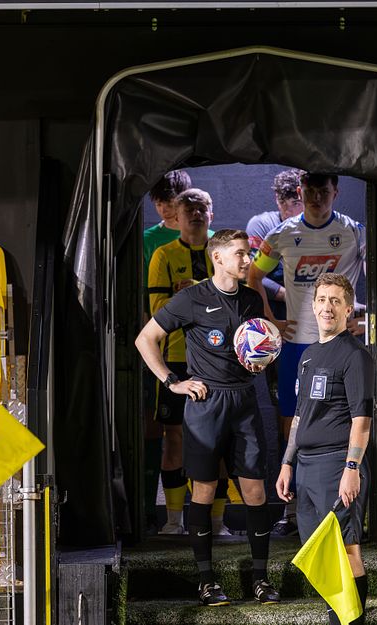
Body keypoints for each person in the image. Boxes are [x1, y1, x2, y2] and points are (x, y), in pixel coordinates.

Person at [136, 229, 280, 607]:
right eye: (240, 254)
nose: (247, 260)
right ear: (217, 258)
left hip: (244, 402)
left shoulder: (251, 298)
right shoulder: (191, 298)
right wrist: (173, 382)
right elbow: (145, 339)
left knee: (255, 492)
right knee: (203, 490)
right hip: (206, 404)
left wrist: (262, 359)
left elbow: (259, 343)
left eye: (248, 253)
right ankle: (206, 582)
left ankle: (261, 579)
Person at [248, 172, 365, 536]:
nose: (316, 198)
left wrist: (365, 316)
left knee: (351, 418)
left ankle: (348, 503)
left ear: (335, 192)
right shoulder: (282, 233)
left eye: (323, 191)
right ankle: (294, 509)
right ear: (300, 192)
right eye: (310, 191)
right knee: (293, 421)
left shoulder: (354, 231)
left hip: (342, 344)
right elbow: (253, 277)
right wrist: (271, 320)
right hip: (298, 346)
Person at [276, 273, 373, 625]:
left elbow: (362, 420)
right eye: (321, 300)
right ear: (313, 306)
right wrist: (287, 462)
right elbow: (300, 416)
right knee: (321, 555)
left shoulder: (355, 356)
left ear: (348, 309)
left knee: (346, 550)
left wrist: (351, 468)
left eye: (335, 301)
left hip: (337, 466)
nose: (327, 307)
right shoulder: (308, 355)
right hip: (306, 468)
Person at [148, 188, 228, 535]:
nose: (196, 214)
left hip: (219, 361)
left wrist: (191, 291)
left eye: (202, 209)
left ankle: (217, 523)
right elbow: (157, 313)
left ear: (211, 214)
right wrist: (205, 296)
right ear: (176, 217)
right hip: (176, 359)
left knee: (218, 442)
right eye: (189, 210)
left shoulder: (223, 253)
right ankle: (173, 521)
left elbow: (233, 305)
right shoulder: (164, 255)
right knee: (175, 438)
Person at [141, 170, 193, 535]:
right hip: (163, 349)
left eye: (171, 201)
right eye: (159, 202)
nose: (165, 209)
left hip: (207, 354)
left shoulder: (210, 240)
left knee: (211, 439)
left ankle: (211, 520)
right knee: (160, 431)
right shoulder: (150, 242)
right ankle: (158, 514)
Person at [246, 169, 304, 320]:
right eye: (282, 202)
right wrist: (287, 295)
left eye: (296, 203)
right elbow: (250, 275)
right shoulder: (261, 225)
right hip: (272, 311)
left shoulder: (322, 230)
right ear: (276, 199)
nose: (287, 210)